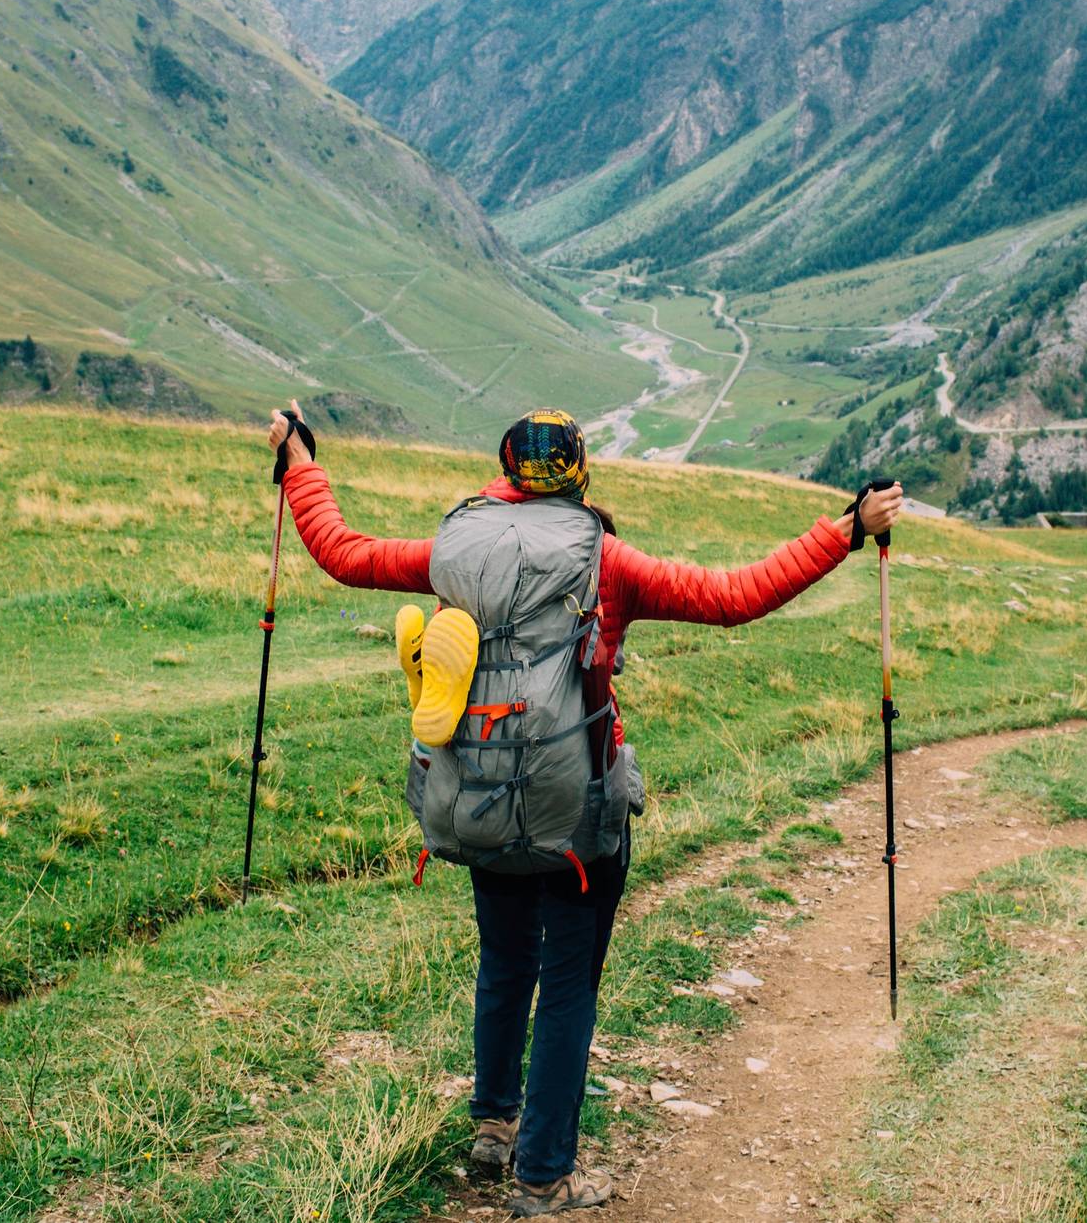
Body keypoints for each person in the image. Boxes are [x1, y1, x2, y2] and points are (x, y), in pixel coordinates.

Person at [267, 404, 903, 1217]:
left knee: (504, 963)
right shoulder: (605, 560)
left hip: (480, 795)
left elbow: (343, 552)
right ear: (579, 474)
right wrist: (844, 530)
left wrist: (301, 461)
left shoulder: (454, 551)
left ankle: (494, 1126)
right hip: (579, 811)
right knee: (568, 985)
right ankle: (545, 1173)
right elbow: (736, 595)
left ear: (503, 469)